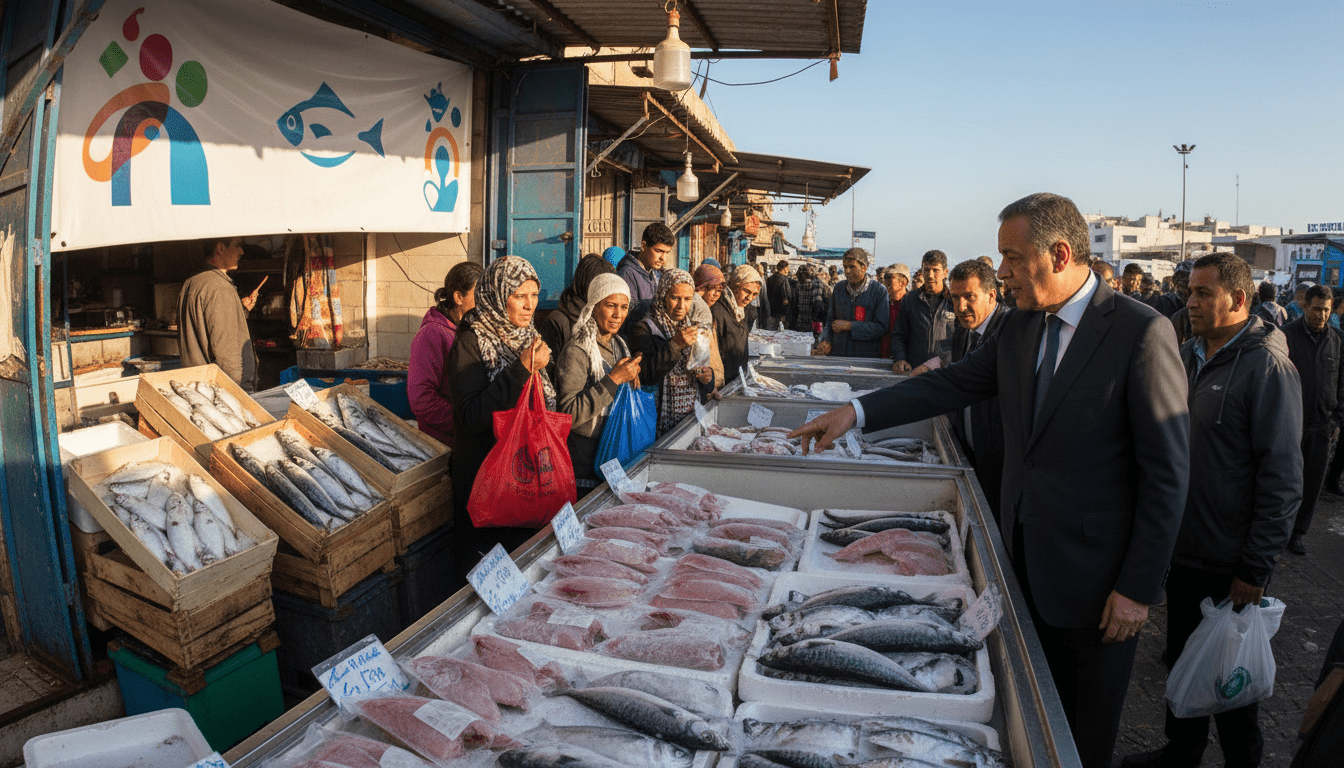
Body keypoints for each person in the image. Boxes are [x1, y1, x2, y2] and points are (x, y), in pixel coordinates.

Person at [791, 193, 1190, 768]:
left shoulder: (1140, 332)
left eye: (1010, 256)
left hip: (1096, 583)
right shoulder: (1023, 327)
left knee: (1080, 736)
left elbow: (1168, 473)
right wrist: (856, 411)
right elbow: (949, 385)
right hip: (1019, 557)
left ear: (1057, 254)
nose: (999, 271)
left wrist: (1139, 588)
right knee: (1030, 715)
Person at [1121, 253, 1301, 768]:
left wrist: (1255, 567)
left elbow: (1284, 478)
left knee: (1231, 680)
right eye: (1189, 291)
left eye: (1203, 293)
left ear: (1238, 300)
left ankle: (1243, 760)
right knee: (1184, 662)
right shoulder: (1185, 354)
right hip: (1185, 547)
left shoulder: (1266, 367)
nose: (1190, 301)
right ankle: (1182, 752)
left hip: (1230, 559)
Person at [446, 256, 556, 577]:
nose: (529, 305)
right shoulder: (470, 342)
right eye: (519, 296)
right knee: (489, 588)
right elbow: (472, 416)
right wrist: (521, 370)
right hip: (487, 485)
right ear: (496, 294)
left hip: (527, 479)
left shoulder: (529, 337)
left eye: (534, 295)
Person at [911, 259, 1010, 518]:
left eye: (969, 297)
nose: (961, 306)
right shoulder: (964, 332)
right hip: (967, 450)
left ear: (991, 295)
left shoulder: (1010, 332)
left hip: (999, 460)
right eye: (955, 298)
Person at [554, 274, 642, 491]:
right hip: (585, 460)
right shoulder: (578, 350)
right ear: (594, 306)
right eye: (610, 305)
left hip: (614, 451)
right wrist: (613, 380)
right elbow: (568, 415)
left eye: (623, 307)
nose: (618, 314)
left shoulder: (619, 345)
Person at [1280, 283, 1343, 556]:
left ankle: (1297, 534)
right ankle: (1278, 532)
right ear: (1306, 306)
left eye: (1326, 311)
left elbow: (1342, 382)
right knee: (1283, 481)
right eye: (1316, 309)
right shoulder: (1286, 336)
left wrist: (1337, 419)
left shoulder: (1338, 340)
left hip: (1322, 425)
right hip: (1290, 422)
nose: (1321, 315)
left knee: (1312, 483)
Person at [630, 269, 713, 435]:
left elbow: (700, 374)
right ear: (663, 296)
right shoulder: (644, 329)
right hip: (655, 420)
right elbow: (646, 375)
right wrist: (675, 344)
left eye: (688, 299)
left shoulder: (692, 327)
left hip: (690, 416)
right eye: (675, 298)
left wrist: (708, 378)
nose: (682, 306)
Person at [408, 261, 483, 445]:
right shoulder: (432, 334)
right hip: (444, 444)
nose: (485, 303)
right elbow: (421, 398)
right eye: (479, 295)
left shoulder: (472, 330)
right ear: (458, 297)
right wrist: (465, 423)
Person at [178, 237, 261, 391]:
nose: (241, 252)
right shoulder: (220, 288)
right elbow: (229, 355)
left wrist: (239, 310)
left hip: (198, 387)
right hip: (221, 392)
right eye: (237, 245)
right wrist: (244, 391)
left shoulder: (192, 281)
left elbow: (207, 326)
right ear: (221, 248)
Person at [538, 253, 616, 378]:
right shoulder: (558, 321)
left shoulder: (605, 317)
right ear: (588, 285)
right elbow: (549, 374)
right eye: (603, 288)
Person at [815, 248, 890, 359]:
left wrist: (850, 326)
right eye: (845, 267)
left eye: (852, 267)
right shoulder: (839, 288)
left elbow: (881, 327)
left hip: (865, 357)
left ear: (864, 268)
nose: (847, 271)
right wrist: (826, 341)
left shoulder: (879, 291)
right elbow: (830, 320)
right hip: (838, 354)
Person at [890, 250, 954, 373]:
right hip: (915, 370)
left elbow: (963, 340)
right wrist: (899, 359)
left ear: (945, 273)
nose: (930, 275)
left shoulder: (954, 300)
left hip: (947, 371)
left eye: (935, 270)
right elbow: (899, 335)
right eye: (926, 270)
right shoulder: (910, 299)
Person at [617, 223, 675, 331]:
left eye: (667, 252)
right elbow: (629, 315)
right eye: (658, 251)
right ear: (643, 246)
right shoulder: (627, 274)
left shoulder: (657, 273)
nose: (664, 258)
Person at [713, 264, 764, 381]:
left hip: (738, 375)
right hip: (722, 378)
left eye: (754, 294)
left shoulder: (745, 311)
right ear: (735, 287)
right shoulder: (718, 310)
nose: (749, 297)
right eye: (746, 291)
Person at [691, 263, 726, 391]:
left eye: (719, 291)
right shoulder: (694, 310)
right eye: (711, 288)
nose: (716, 294)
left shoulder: (710, 312)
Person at [878, 263, 911, 359]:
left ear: (903, 282)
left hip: (903, 361)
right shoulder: (883, 304)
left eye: (889, 277)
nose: (885, 281)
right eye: (885, 277)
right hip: (882, 358)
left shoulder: (912, 305)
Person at [793, 264, 827, 339]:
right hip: (813, 324)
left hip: (801, 322)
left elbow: (795, 305)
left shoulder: (799, 286)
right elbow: (818, 304)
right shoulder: (817, 284)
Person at [766, 259, 796, 330]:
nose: (788, 270)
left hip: (771, 311)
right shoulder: (784, 280)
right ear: (785, 269)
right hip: (781, 313)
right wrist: (785, 313)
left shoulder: (770, 278)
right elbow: (786, 297)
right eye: (788, 268)